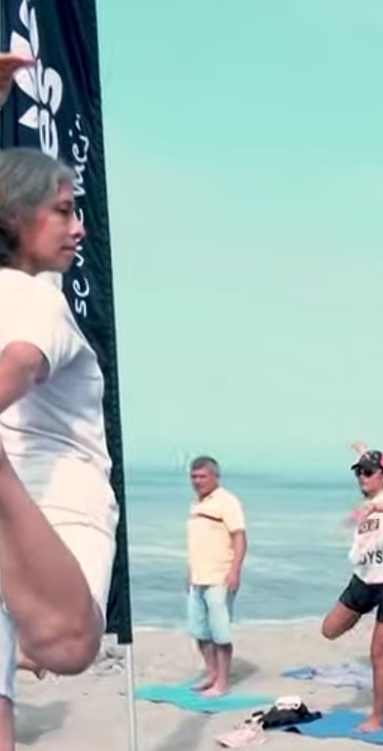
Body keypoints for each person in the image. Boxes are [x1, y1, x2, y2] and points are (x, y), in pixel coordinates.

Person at [0, 140, 121, 748]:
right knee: (70, 643)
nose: (79, 228)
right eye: (64, 210)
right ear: (15, 216)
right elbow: (20, 364)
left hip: (24, 527)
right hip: (57, 506)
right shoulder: (36, 297)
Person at [320, 448, 383, 733]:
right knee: (329, 629)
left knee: (378, 655)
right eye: (359, 472)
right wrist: (364, 455)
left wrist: (375, 507)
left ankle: (377, 717)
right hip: (363, 580)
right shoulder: (367, 504)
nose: (362, 476)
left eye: (369, 472)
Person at [185, 456, 247, 696]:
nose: (197, 481)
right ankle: (211, 674)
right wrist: (189, 572)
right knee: (199, 632)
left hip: (219, 578)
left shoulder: (226, 502)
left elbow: (239, 537)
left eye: (202, 476)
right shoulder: (196, 504)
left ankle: (222, 682)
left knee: (220, 633)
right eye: (193, 476)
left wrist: (235, 571)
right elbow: (198, 543)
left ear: (215, 477)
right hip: (197, 578)